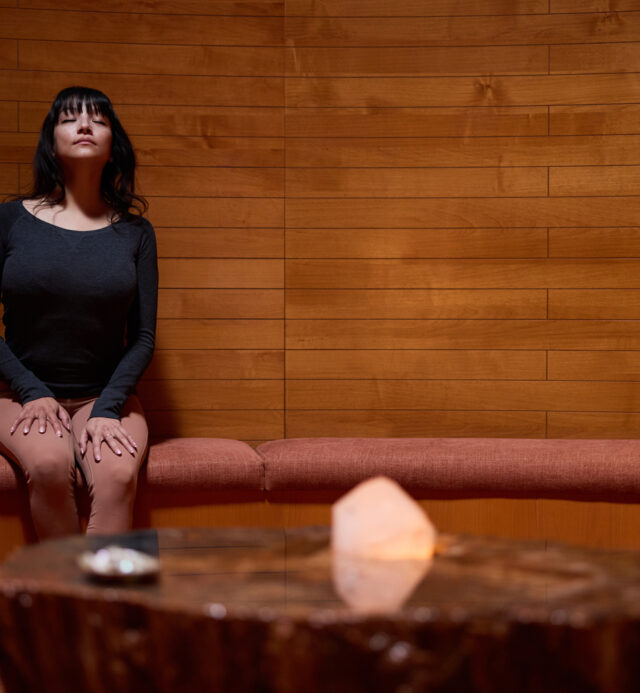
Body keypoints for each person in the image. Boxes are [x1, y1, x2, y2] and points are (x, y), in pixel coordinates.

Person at [0, 86, 158, 538]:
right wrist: (32, 391)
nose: (85, 125)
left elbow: (143, 337)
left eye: (98, 120)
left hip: (104, 395)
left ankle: (95, 605)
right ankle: (64, 600)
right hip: (18, 395)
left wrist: (108, 408)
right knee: (50, 465)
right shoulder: (9, 221)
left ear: (113, 146)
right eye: (70, 118)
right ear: (52, 142)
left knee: (118, 476)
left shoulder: (136, 233)